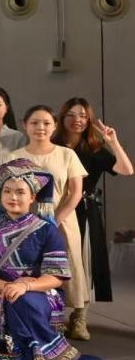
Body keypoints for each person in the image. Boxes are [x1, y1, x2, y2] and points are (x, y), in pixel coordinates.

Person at [0, 159, 105, 360]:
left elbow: (56, 277)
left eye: (20, 192)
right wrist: (6, 286)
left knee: (23, 299)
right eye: (7, 191)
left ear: (33, 197)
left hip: (39, 291)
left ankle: (38, 351)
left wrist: (26, 286)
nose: (13, 197)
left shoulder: (47, 230)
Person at [11, 106, 89, 339]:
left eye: (46, 123)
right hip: (26, 222)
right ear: (25, 125)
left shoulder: (67, 154)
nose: (40, 128)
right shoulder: (14, 157)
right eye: (34, 123)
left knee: (70, 265)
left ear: (55, 126)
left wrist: (56, 219)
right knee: (32, 265)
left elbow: (75, 192)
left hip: (61, 220)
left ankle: (79, 317)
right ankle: (46, 314)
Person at [54, 98, 133, 303]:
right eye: (71, 115)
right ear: (62, 118)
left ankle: (80, 311)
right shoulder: (53, 146)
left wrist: (113, 142)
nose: (77, 120)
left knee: (84, 258)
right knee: (56, 255)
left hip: (85, 209)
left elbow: (127, 170)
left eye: (83, 115)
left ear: (89, 119)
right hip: (56, 207)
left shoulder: (93, 148)